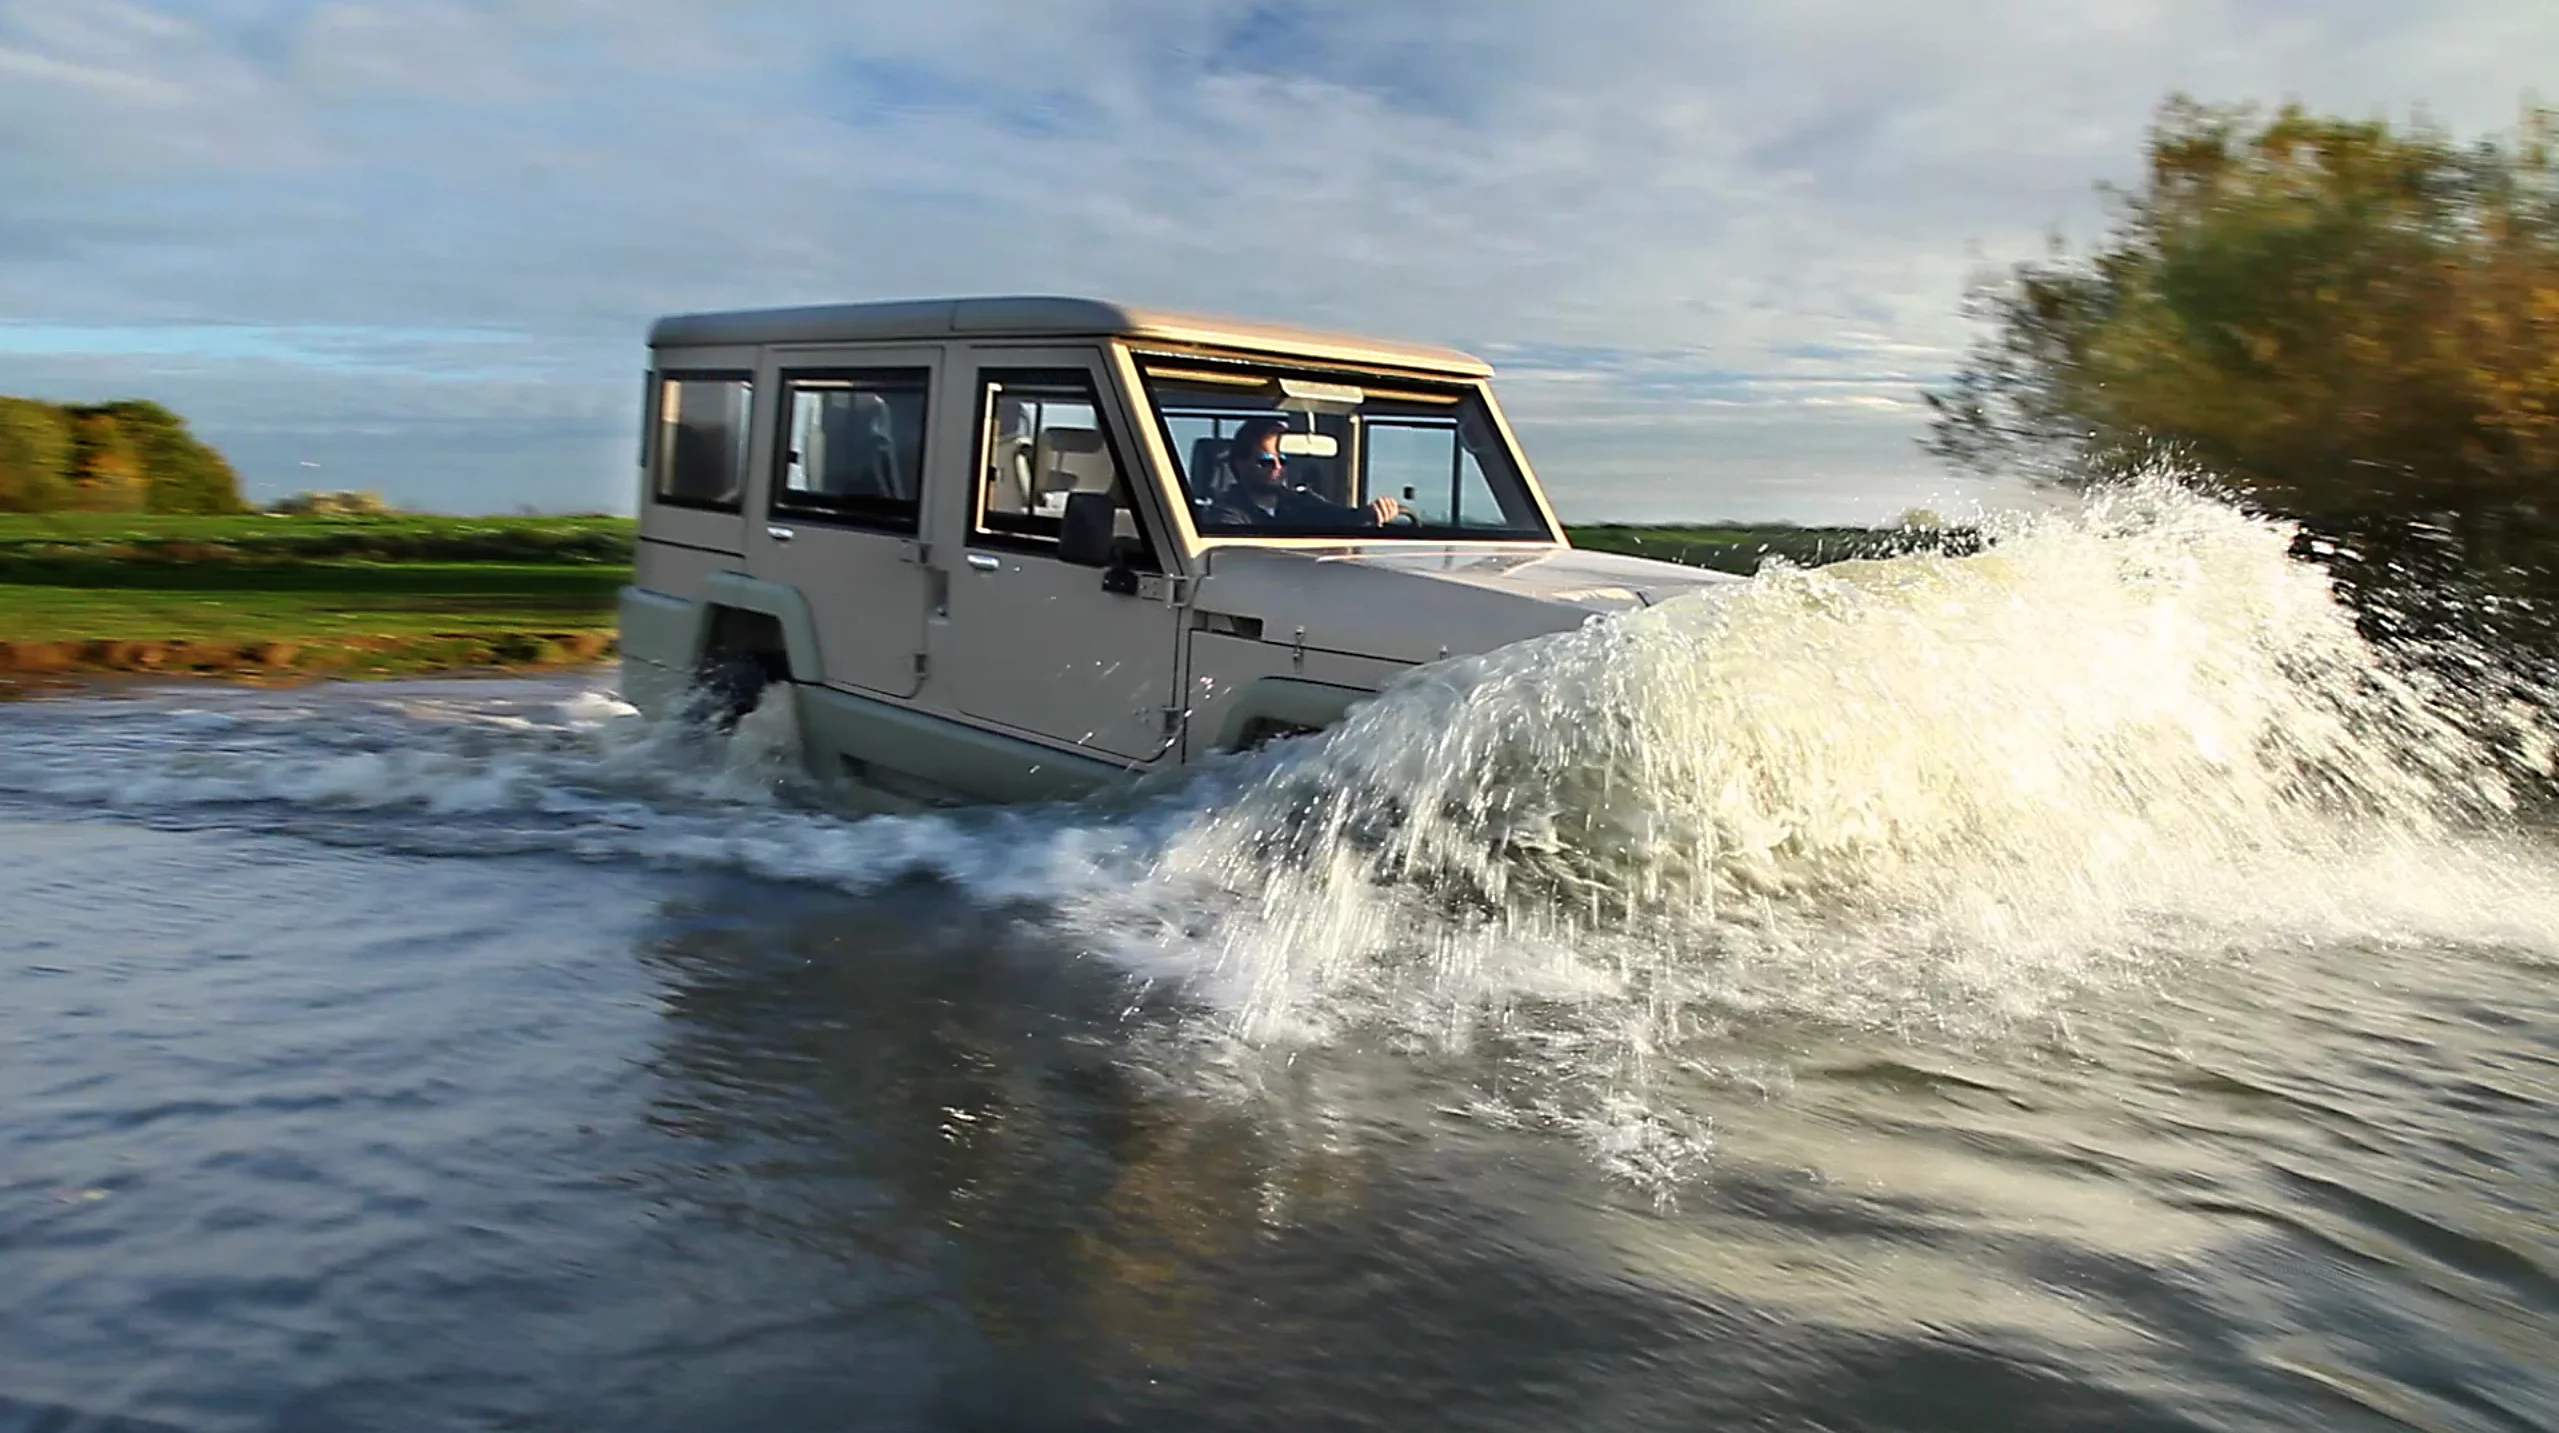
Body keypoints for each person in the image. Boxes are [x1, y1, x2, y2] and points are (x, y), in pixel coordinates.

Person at [1208, 417, 1401, 529]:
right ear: (1240, 463)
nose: (1277, 467)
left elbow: (1341, 518)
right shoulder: (1226, 514)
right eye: (1266, 461)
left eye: (1284, 459)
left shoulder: (1302, 502)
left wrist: (1371, 513)